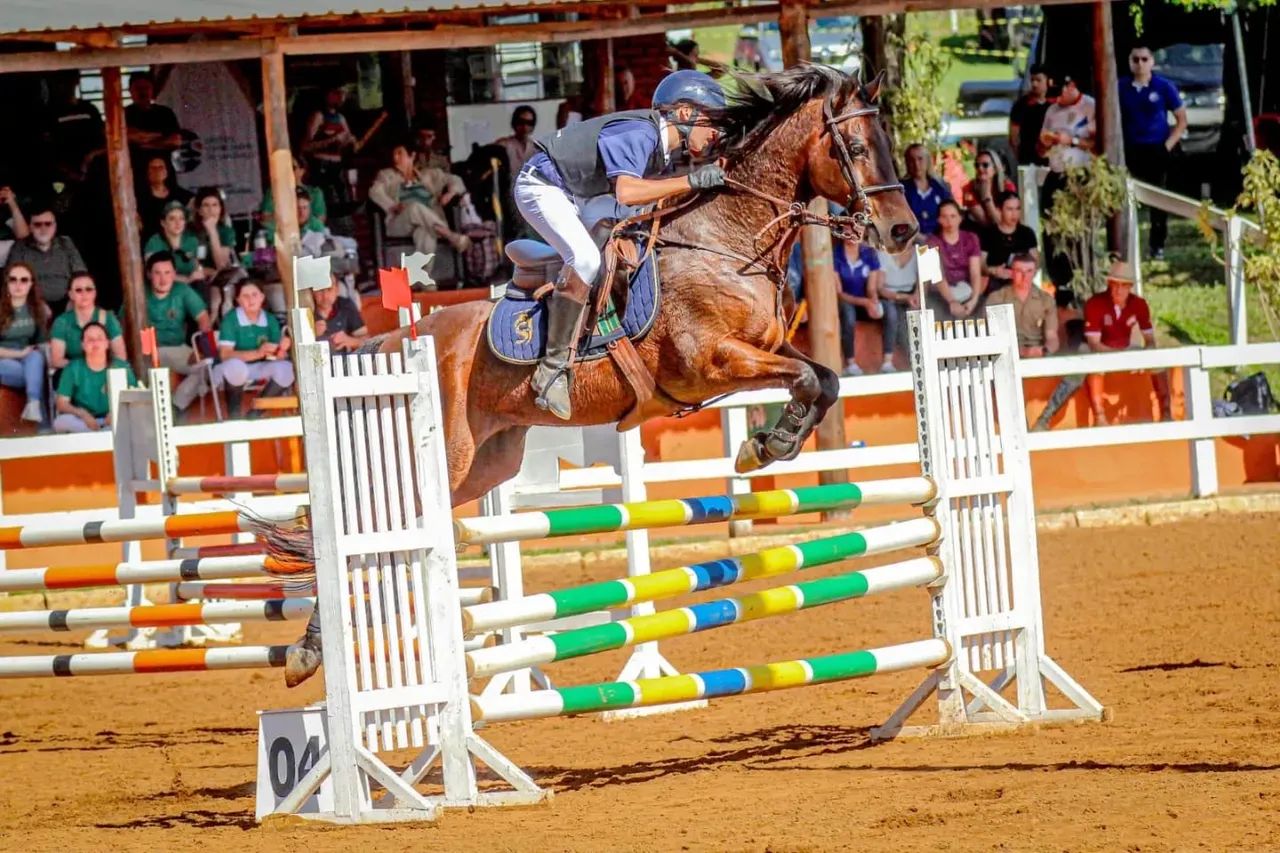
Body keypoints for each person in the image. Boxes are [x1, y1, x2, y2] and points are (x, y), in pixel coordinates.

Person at [514, 69, 726, 420]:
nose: (716, 133)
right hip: (542, 187)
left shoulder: (662, 149)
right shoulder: (640, 132)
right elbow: (627, 190)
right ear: (685, 113)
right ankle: (551, 369)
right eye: (712, 122)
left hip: (580, 194)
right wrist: (690, 181)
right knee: (585, 259)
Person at [1032, 260, 1170, 429]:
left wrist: (1147, 353)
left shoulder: (1139, 304)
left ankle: (1167, 411)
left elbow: (1149, 339)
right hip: (1097, 349)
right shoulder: (1095, 304)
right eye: (1114, 284)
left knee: (1158, 361)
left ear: (1130, 287)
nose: (1118, 289)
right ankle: (1093, 416)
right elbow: (1094, 344)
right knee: (1085, 363)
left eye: (1123, 285)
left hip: (1123, 348)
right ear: (1109, 284)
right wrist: (1122, 356)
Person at [1119, 42, 1187, 261]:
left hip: (1156, 148)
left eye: (1144, 59)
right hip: (1130, 149)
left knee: (1158, 199)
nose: (1140, 64)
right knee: (1124, 197)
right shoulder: (1120, 87)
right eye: (1135, 59)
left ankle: (1157, 245)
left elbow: (1181, 120)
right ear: (1130, 62)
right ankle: (1122, 248)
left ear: (1152, 62)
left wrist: (1167, 145)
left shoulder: (1163, 86)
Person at [1038, 74, 1096, 290]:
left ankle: (1082, 277)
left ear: (1071, 86)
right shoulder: (1052, 111)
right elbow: (1040, 148)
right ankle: (1059, 281)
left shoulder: (1090, 106)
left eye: (1059, 94)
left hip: (1079, 174)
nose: (1056, 101)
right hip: (1056, 172)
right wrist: (1045, 143)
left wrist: (1070, 140)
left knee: (1077, 230)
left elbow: (1099, 143)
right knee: (1052, 229)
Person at [370, 140, 472, 261]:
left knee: (425, 234)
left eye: (399, 153)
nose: (395, 158)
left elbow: (456, 180)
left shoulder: (429, 175)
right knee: (414, 207)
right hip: (400, 222)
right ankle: (450, 235)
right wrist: (393, 205)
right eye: (394, 154)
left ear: (412, 155)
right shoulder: (386, 175)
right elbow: (375, 191)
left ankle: (419, 279)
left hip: (427, 223)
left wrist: (450, 193)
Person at [213, 279, 294, 414]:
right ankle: (235, 416)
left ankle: (256, 413)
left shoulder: (269, 319)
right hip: (229, 370)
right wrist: (257, 353)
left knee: (287, 369)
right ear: (238, 300)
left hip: (260, 367)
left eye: (255, 295)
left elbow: (275, 353)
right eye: (245, 296)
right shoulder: (231, 319)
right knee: (236, 367)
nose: (251, 300)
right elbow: (225, 355)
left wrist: (282, 350)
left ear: (262, 297)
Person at [144, 252, 212, 413]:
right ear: (148, 274)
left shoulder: (182, 290)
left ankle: (174, 407)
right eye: (157, 273)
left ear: (175, 274)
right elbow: (123, 324)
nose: (163, 279)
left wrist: (202, 350)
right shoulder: (139, 293)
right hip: (148, 349)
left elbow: (203, 318)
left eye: (167, 273)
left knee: (206, 368)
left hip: (177, 347)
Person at [53, 322, 136, 433]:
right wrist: (82, 414)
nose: (95, 343)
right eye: (90, 340)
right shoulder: (73, 368)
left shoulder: (121, 366)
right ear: (83, 345)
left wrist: (116, 412)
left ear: (107, 343)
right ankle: (100, 434)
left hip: (112, 420)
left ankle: (98, 435)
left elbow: (134, 396)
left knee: (130, 421)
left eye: (99, 339)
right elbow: (62, 403)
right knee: (61, 422)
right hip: (84, 421)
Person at [833, 237, 897, 376]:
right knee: (848, 313)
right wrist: (865, 302)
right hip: (846, 301)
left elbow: (871, 288)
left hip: (865, 302)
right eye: (847, 230)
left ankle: (887, 361)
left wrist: (873, 301)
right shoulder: (835, 254)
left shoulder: (869, 253)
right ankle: (850, 363)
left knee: (890, 309)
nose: (852, 234)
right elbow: (839, 293)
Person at [7, 207, 85, 316]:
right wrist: (34, 302)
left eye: (48, 224)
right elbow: (11, 279)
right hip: (32, 303)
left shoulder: (66, 243)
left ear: (55, 226)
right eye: (37, 224)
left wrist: (75, 299)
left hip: (68, 301)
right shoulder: (20, 247)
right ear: (30, 227)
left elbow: (81, 274)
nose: (43, 229)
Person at [0, 262, 51, 424]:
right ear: (6, 283)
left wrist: (50, 365)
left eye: (24, 280)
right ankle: (42, 425)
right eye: (13, 280)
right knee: (34, 374)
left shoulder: (37, 308)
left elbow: (42, 343)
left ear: (31, 284)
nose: (18, 285)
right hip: (4, 361)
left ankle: (33, 405)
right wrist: (19, 354)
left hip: (28, 359)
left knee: (36, 358)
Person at [984, 253, 1058, 357]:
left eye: (1029, 271)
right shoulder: (997, 298)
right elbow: (993, 338)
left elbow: (1052, 337)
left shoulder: (1046, 300)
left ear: (1035, 272)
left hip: (1037, 354)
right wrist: (1020, 351)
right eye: (1019, 271)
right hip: (1006, 356)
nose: (1025, 276)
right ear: (1012, 273)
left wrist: (1044, 351)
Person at [49, 270, 126, 369]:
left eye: (88, 289)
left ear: (95, 293)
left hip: (104, 372)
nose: (84, 293)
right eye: (78, 290)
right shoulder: (62, 321)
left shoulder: (108, 318)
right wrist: (87, 368)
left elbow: (120, 356)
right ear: (71, 294)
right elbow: (57, 360)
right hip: (74, 374)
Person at [925, 201, 985, 318]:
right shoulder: (931, 242)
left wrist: (974, 300)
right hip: (941, 292)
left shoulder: (971, 238)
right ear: (939, 220)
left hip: (967, 289)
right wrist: (952, 301)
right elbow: (938, 277)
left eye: (953, 216)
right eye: (944, 217)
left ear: (960, 218)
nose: (949, 221)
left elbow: (975, 273)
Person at [301, 84, 356, 207]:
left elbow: (347, 140)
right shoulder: (318, 116)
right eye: (337, 93)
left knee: (343, 201)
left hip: (338, 167)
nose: (341, 97)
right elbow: (306, 146)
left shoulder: (341, 118)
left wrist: (350, 141)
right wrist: (332, 140)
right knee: (325, 202)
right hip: (322, 167)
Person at [980, 191, 1039, 292]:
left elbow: (1035, 262)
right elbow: (981, 265)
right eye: (1009, 209)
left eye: (1017, 209)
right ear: (999, 210)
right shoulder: (988, 234)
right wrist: (993, 271)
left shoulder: (1027, 233)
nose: (1014, 214)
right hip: (996, 284)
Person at [144, 200, 205, 286]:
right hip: (164, 290)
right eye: (172, 218)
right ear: (163, 223)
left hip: (191, 289)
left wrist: (198, 273)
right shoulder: (154, 242)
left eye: (181, 218)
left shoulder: (192, 241)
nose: (178, 223)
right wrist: (186, 279)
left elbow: (198, 267)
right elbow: (150, 274)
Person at [260, 154, 327, 232]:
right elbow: (266, 218)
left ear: (302, 171)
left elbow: (320, 219)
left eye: (292, 167)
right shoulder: (273, 192)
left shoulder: (315, 193)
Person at [125, 72, 182, 162]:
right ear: (130, 91)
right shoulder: (124, 114)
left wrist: (143, 142)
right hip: (134, 168)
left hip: (163, 168)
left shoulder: (165, 113)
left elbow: (175, 141)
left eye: (146, 88)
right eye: (138, 88)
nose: (142, 92)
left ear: (152, 90)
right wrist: (158, 137)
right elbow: (122, 139)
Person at [900, 143, 952, 236]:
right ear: (907, 163)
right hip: (911, 241)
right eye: (911, 160)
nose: (916, 164)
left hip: (939, 239)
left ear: (928, 160)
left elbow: (951, 215)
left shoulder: (941, 187)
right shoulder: (900, 189)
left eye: (920, 159)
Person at [136, 156, 192, 239]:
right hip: (152, 243)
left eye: (161, 167)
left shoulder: (178, 193)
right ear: (147, 172)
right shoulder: (140, 197)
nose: (157, 171)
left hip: (178, 241)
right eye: (153, 168)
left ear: (166, 171)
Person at [1009, 64, 1053, 170]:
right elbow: (1013, 137)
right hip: (1028, 161)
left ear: (1048, 81)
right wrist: (1020, 158)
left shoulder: (1055, 104)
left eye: (1038, 80)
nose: (1034, 84)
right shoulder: (1021, 105)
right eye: (1032, 80)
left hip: (1051, 162)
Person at [961, 149, 1016, 232]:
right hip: (978, 233)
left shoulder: (1008, 187)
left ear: (995, 169)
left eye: (985, 165)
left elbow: (1001, 223)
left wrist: (987, 198)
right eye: (977, 165)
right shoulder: (968, 188)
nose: (980, 168)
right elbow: (984, 222)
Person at [312, 273, 368, 352]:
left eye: (329, 289)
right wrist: (311, 334)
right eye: (320, 290)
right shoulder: (306, 310)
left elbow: (366, 341)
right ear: (313, 292)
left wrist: (350, 340)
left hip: (344, 361)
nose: (325, 296)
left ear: (337, 290)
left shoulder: (346, 305)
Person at [496, 105, 540, 178]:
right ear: (514, 123)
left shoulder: (537, 148)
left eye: (529, 123)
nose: (525, 127)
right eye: (521, 122)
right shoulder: (503, 145)